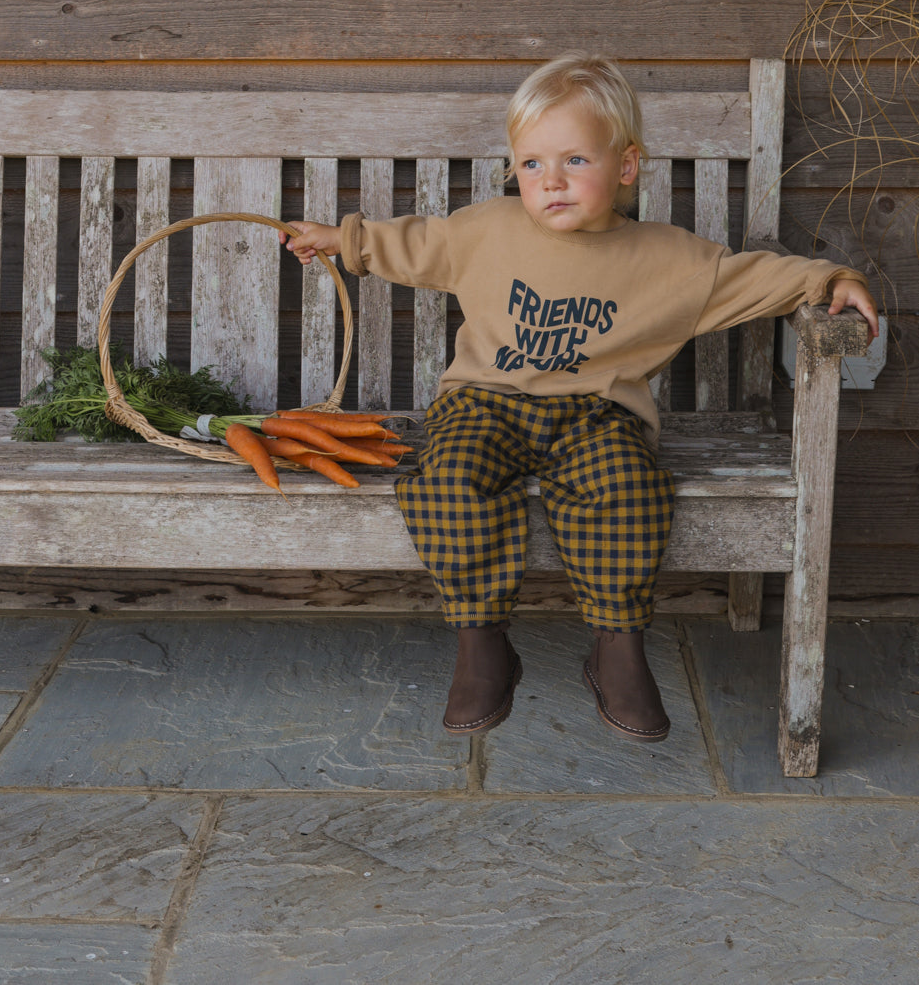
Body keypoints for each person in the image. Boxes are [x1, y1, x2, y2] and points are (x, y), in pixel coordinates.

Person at [281, 55, 880, 745]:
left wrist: (830, 276)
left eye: (573, 159)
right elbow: (414, 241)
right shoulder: (488, 229)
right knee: (448, 481)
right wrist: (342, 240)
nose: (551, 180)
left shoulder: (668, 258)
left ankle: (616, 647)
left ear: (625, 167)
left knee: (628, 488)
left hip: (598, 415)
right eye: (531, 163)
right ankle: (482, 644)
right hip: (484, 402)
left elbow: (752, 277)